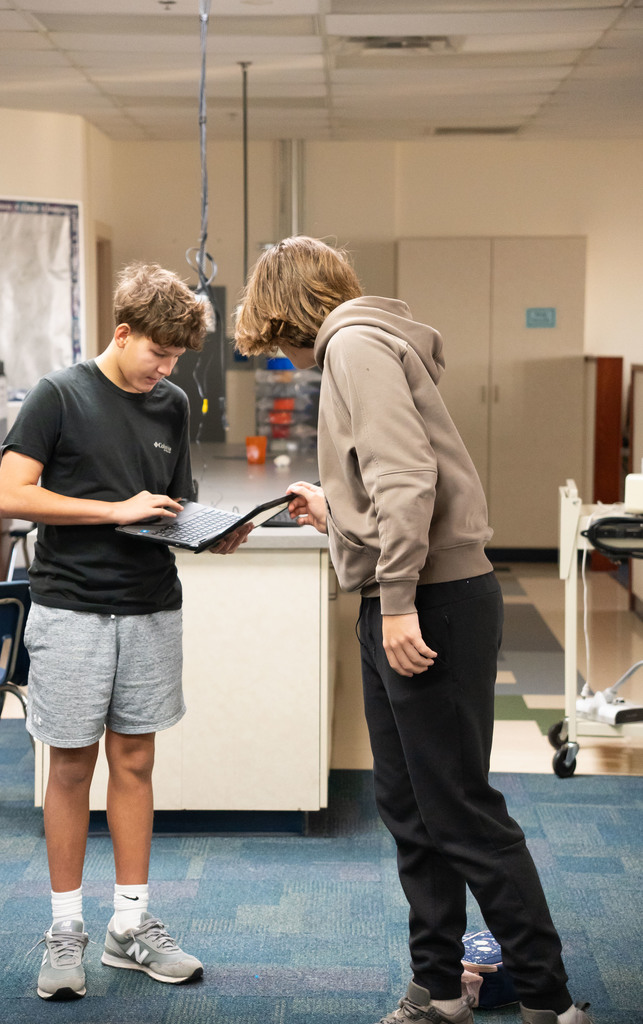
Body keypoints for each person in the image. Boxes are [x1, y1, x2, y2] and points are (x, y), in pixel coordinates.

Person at [233, 236, 593, 1024]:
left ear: (292, 314)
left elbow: (407, 480)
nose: (286, 358)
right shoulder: (368, 343)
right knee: (408, 805)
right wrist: (335, 512)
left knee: (458, 808)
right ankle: (436, 987)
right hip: (402, 595)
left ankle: (549, 999)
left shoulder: (355, 346)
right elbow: (389, 484)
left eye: (280, 341)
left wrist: (396, 601)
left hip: (428, 600)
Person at [0, 263, 250, 1001]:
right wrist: (111, 509)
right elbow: (12, 496)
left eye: (176, 360)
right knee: (71, 768)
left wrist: (208, 532)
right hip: (72, 608)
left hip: (150, 607)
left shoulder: (171, 403)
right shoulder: (59, 395)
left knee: (134, 764)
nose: (165, 371)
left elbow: (172, 503)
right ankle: (65, 930)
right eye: (157, 355)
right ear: (122, 332)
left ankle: (129, 927)